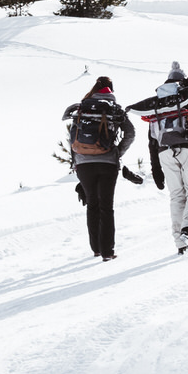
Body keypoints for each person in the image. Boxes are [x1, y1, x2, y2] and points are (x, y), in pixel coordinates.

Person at [129, 59, 188, 253]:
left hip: (165, 152)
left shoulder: (159, 103)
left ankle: (181, 244)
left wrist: (156, 169)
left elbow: (152, 138)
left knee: (177, 196)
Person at [61, 74, 135, 260]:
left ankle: (95, 249)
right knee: (106, 207)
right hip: (108, 162)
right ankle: (108, 252)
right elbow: (131, 133)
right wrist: (118, 152)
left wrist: (77, 161)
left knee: (92, 204)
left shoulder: (81, 108)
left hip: (84, 164)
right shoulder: (114, 109)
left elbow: (72, 137)